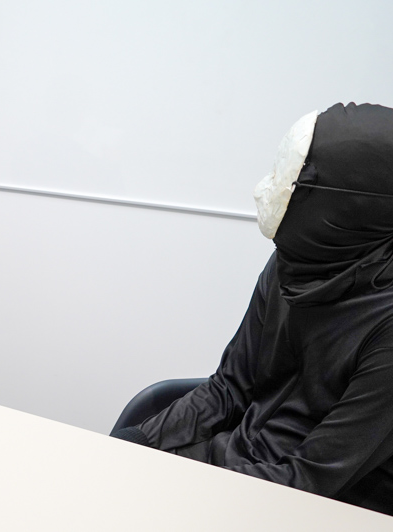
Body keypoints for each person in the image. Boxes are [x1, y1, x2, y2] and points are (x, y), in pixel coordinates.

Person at [113, 102, 393, 516]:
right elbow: (228, 388)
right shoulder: (295, 262)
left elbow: (309, 481)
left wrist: (179, 495)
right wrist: (134, 444)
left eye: (293, 181)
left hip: (317, 504)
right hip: (237, 465)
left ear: (351, 205)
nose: (268, 189)